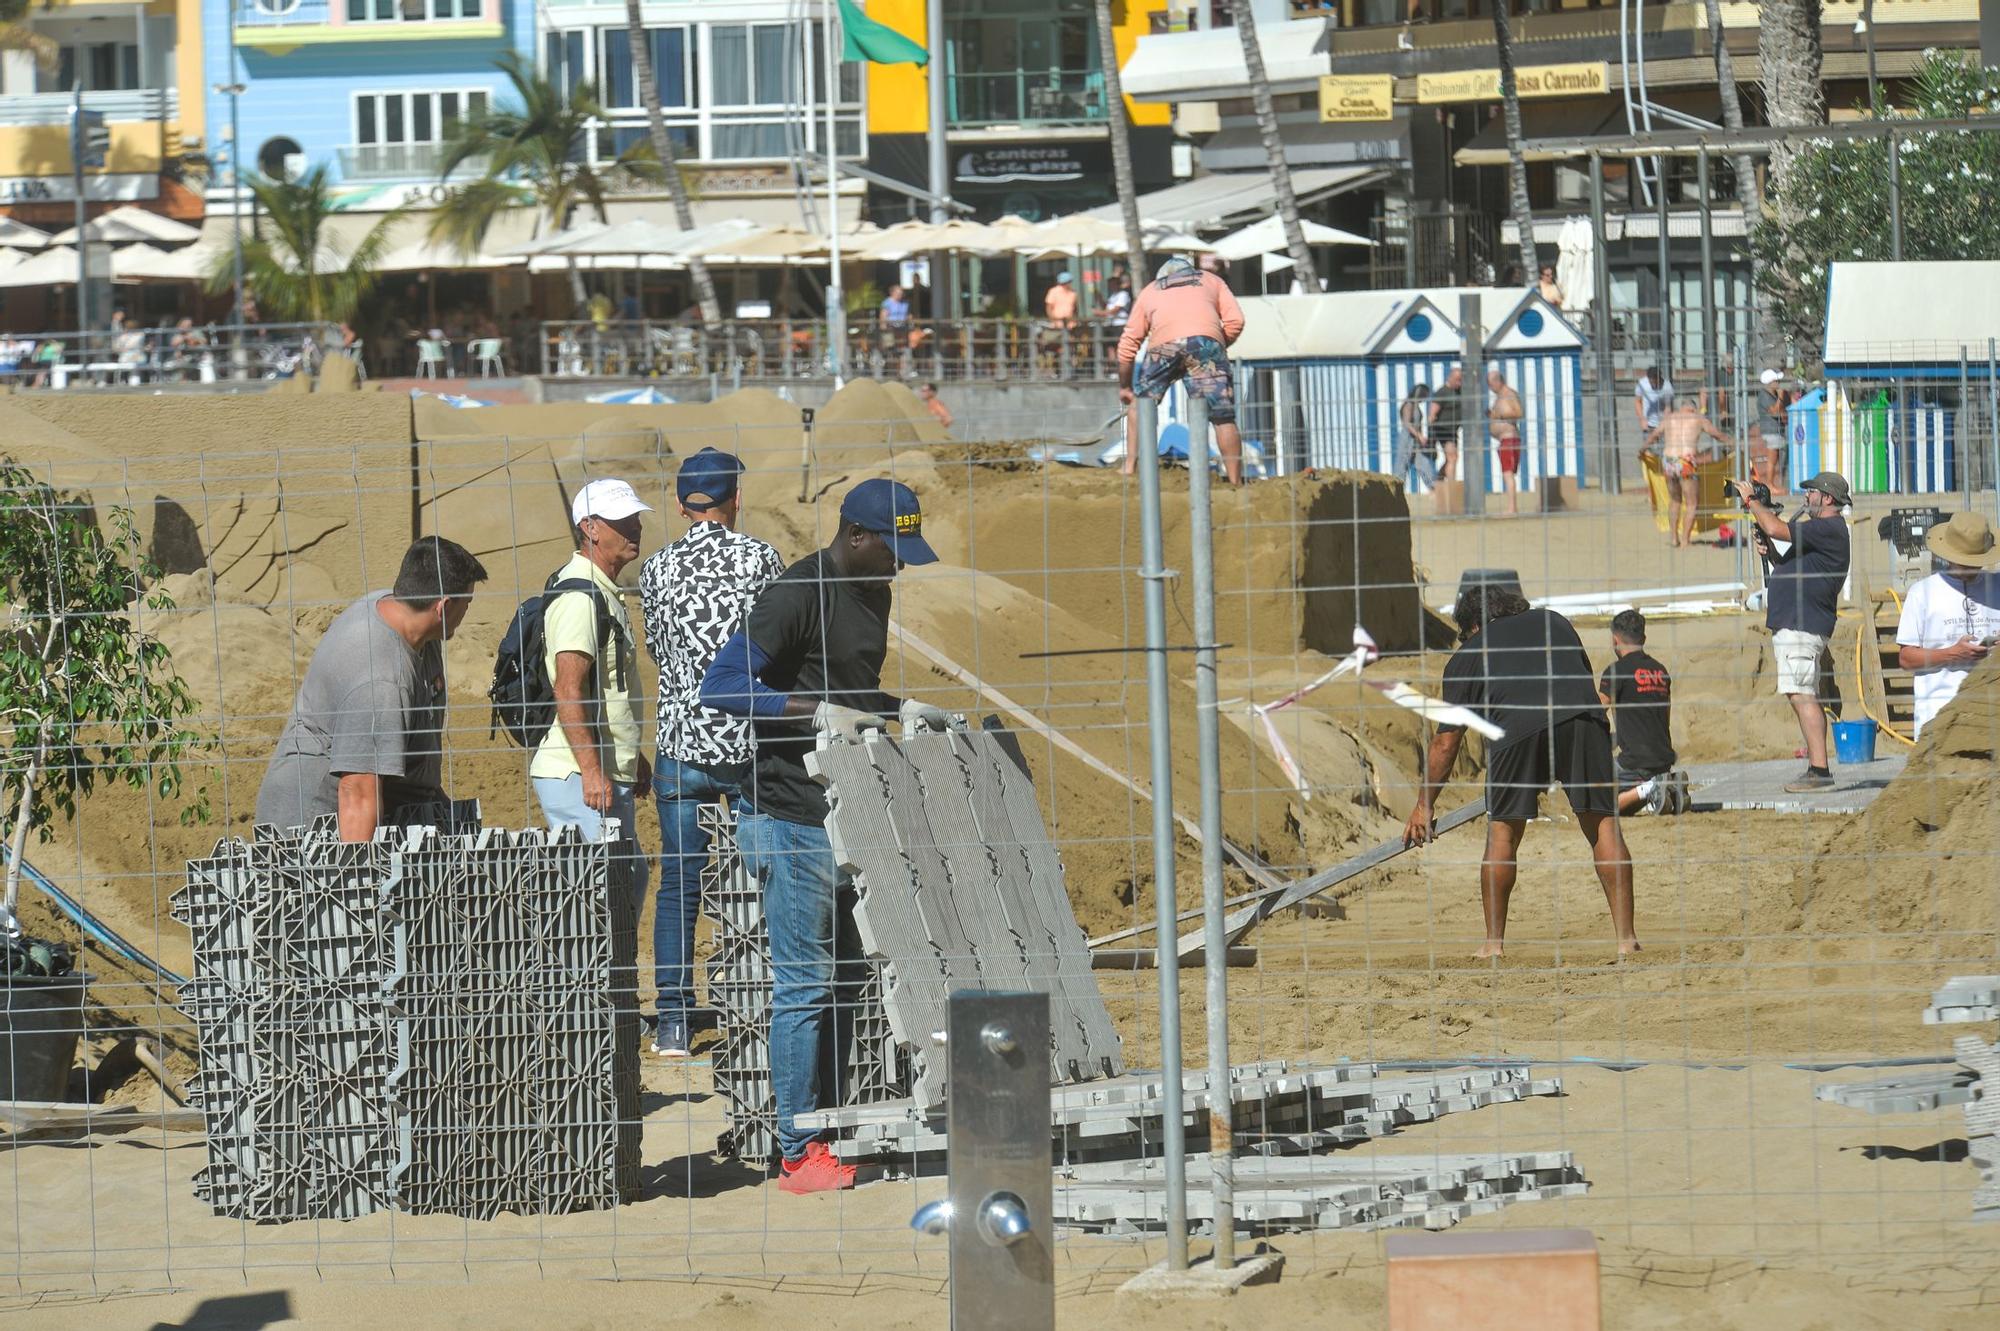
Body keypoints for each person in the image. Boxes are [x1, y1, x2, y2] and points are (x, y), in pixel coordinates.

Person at [700, 478, 954, 1194]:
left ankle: (831, 1131)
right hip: (787, 815)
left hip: (845, 813)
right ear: (857, 536)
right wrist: (813, 711)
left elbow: (850, 685)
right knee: (805, 986)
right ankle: (796, 1151)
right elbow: (720, 686)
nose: (898, 567)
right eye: (890, 552)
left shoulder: (873, 591)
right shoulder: (794, 594)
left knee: (845, 981)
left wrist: (899, 707)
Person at [638, 449, 787, 1058]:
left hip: (679, 747)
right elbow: (779, 645)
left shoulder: (655, 570)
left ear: (680, 505)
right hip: (748, 745)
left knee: (679, 883)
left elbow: (656, 646)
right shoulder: (760, 560)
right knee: (760, 876)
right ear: (735, 500)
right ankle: (759, 1005)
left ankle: (672, 1021)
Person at [1403, 584, 1639, 959]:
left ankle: (1493, 944)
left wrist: (1424, 805)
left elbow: (1447, 743)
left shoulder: (1466, 657)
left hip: (1515, 731)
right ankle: (1626, 939)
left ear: (1473, 626)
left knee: (1503, 836)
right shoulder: (1554, 621)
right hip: (1583, 720)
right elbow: (1580, 681)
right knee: (1603, 826)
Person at [256, 538, 487, 838]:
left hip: (377, 804)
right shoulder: (381, 681)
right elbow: (357, 795)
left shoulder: (397, 612)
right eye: (466, 603)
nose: (467, 612)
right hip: (313, 827)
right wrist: (356, 882)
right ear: (442, 607)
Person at [533, 479, 653, 911]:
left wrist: (630, 754)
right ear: (590, 527)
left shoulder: (602, 589)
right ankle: (578, 980)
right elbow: (568, 687)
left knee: (626, 881)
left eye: (635, 518)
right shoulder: (580, 596)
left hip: (601, 767)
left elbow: (610, 688)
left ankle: (599, 979)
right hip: (577, 774)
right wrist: (590, 769)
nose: (634, 527)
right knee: (597, 904)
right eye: (622, 520)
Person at [1738, 470, 1851, 792]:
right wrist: (1770, 552)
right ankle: (1818, 767)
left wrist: (1752, 500)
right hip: (1799, 624)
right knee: (1801, 693)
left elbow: (1775, 527)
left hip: (1802, 626)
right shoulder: (1822, 531)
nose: (1806, 497)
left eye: (1811, 492)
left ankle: (1819, 769)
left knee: (1803, 694)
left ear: (1827, 498)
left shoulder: (1827, 527)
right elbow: (1790, 565)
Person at [1117, 254, 1248, 485]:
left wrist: (1125, 386)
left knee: (1140, 406)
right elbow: (1235, 320)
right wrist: (1212, 347)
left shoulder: (1150, 290)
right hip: (1206, 343)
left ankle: (1129, 468)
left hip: (1163, 347)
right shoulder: (1212, 280)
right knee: (1222, 416)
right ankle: (1236, 481)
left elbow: (1128, 344)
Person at [1895, 511, 2000, 737]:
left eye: (1976, 561)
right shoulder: (1922, 593)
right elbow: (1906, 658)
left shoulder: (1997, 586)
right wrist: (1952, 654)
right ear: (1950, 555)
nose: (1972, 567)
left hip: (1991, 718)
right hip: (1939, 719)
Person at [1597, 610, 1680, 815]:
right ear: (1643, 638)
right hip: (1663, 760)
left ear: (1615, 640)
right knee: (1624, 806)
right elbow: (1663, 719)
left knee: (1595, 805)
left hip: (1634, 763)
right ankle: (1661, 787)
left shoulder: (1616, 671)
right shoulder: (1660, 670)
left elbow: (1595, 714)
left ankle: (1651, 788)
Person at [1645, 396, 1731, 549]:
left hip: (1669, 460)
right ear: (1693, 408)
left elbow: (1653, 436)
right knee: (1692, 503)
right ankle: (1685, 540)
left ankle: (1673, 538)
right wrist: (1734, 443)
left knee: (1675, 500)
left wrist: (1642, 450)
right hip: (1686, 461)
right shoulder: (1698, 418)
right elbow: (1717, 435)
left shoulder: (1669, 418)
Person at [1487, 368, 1525, 514]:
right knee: (1507, 473)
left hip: (1509, 439)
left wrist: (1499, 415)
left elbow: (1518, 412)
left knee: (1508, 474)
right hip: (1504, 440)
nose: (1490, 388)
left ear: (1498, 381)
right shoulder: (1500, 396)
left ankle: (1512, 508)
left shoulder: (1509, 394)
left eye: (1490, 384)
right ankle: (1511, 507)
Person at [1396, 383, 1438, 489]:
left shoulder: (1416, 405)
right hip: (1407, 440)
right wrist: (1419, 436)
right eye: (1424, 396)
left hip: (1416, 442)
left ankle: (1434, 489)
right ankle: (1397, 492)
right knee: (1401, 467)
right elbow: (1407, 424)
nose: (1424, 399)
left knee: (1424, 465)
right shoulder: (1408, 405)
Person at [1758, 369, 1792, 493]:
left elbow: (1781, 413)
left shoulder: (1772, 395)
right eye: (1776, 381)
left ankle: (1773, 484)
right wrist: (1781, 398)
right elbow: (1774, 411)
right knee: (1772, 460)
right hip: (1771, 431)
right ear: (1770, 382)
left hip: (1776, 430)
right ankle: (1770, 485)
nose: (1778, 383)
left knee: (1775, 459)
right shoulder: (1764, 396)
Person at [1430, 365, 1464, 482]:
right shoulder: (1442, 392)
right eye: (1457, 380)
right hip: (1443, 430)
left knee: (1452, 458)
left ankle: (1438, 482)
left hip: (1453, 431)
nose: (1459, 383)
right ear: (1450, 378)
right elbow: (1432, 414)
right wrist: (1431, 436)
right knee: (1452, 458)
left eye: (1461, 380)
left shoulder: (1460, 391)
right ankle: (1451, 487)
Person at [1633, 367, 1674, 449]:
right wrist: (1642, 420)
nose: (1652, 383)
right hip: (1648, 425)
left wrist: (1663, 425)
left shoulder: (1667, 387)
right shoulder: (1642, 383)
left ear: (1659, 378)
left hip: (1661, 424)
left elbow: (1668, 408)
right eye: (1650, 381)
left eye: (1654, 381)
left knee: (1663, 451)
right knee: (1648, 451)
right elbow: (1637, 401)